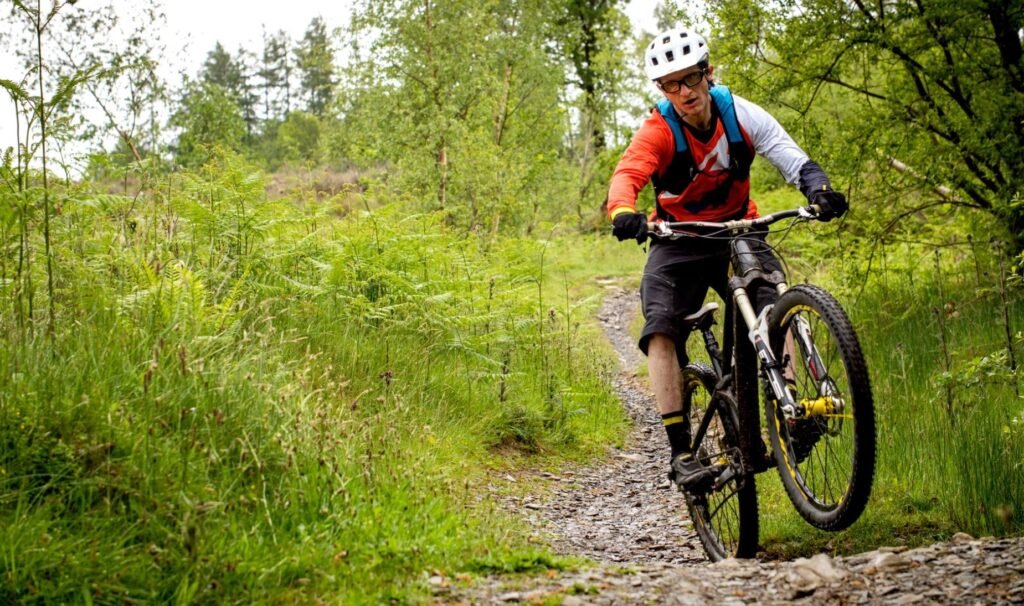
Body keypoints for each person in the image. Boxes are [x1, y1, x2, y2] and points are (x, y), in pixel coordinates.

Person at [607, 28, 848, 491]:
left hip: (739, 228)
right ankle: (681, 453)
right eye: (670, 84)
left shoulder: (739, 114)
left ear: (707, 72)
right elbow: (627, 175)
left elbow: (789, 154)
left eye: (690, 79)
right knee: (660, 326)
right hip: (677, 238)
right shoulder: (659, 130)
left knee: (774, 299)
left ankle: (790, 410)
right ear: (661, 89)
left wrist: (818, 189)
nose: (683, 92)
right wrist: (624, 213)